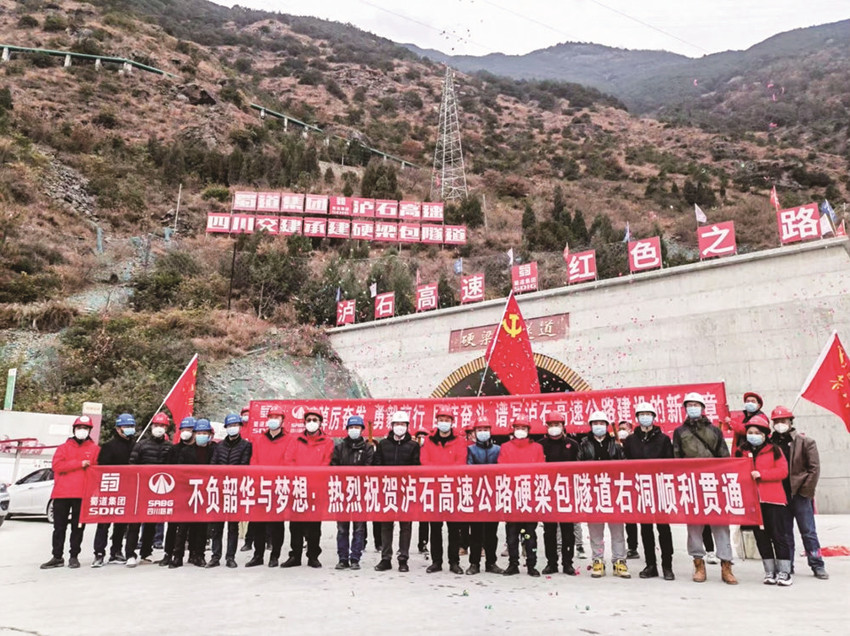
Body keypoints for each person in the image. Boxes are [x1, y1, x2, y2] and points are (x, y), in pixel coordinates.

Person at [673, 392, 737, 585]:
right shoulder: (680, 432)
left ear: (702, 408)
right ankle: (699, 564)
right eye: (689, 405)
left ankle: (726, 565)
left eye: (696, 404)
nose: (692, 408)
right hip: (692, 485)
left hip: (714, 484)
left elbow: (724, 457)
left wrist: (724, 481)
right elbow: (676, 459)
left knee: (721, 525)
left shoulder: (714, 431)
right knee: (694, 527)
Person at [769, 406, 828, 580]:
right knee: (785, 534)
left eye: (783, 420)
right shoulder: (770, 444)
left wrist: (805, 491)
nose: (780, 424)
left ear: (790, 421)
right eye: (777, 421)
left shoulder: (805, 442)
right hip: (780, 496)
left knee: (808, 532)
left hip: (800, 495)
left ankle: (817, 564)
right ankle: (787, 566)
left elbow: (814, 469)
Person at [735, 414, 792, 585]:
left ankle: (784, 572)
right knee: (761, 537)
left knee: (778, 536)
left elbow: (783, 471)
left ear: (765, 434)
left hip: (773, 500)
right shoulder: (741, 451)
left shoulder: (774, 450)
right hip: (753, 502)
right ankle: (769, 571)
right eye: (750, 432)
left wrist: (762, 474)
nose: (753, 436)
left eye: (757, 433)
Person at [623, 402, 675, 580]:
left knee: (664, 529)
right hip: (641, 489)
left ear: (654, 417)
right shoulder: (630, 440)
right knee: (646, 529)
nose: (645, 417)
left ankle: (667, 565)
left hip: (659, 488)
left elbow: (670, 464)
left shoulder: (664, 439)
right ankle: (650, 565)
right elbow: (626, 463)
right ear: (637, 418)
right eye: (642, 414)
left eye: (648, 414)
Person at [41, 415, 100, 570]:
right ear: (74, 429)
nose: (82, 430)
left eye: (85, 428)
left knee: (78, 527)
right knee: (59, 527)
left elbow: (97, 471)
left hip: (82, 494)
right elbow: (57, 466)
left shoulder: (95, 449)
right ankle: (57, 556)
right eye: (79, 428)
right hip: (62, 493)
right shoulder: (63, 448)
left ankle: (74, 556)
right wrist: (79, 464)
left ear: (89, 430)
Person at [578, 411, 630, 579]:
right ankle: (598, 560)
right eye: (595, 423)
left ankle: (619, 561)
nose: (598, 426)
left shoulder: (616, 444)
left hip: (613, 491)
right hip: (593, 491)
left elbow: (625, 465)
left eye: (601, 423)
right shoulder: (584, 444)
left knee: (617, 529)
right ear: (591, 426)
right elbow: (577, 466)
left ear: (607, 426)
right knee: (595, 529)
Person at [282, 409, 334, 568]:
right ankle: (295, 556)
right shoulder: (295, 440)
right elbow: (288, 459)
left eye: (315, 420)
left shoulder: (327, 442)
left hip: (317, 487)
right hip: (298, 486)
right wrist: (299, 476)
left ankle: (313, 556)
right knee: (295, 524)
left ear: (320, 423)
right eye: (309, 419)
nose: (311, 422)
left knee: (314, 525)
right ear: (304, 422)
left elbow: (327, 462)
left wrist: (314, 477)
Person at [125, 412, 175, 568]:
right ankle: (130, 554)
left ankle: (146, 552)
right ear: (152, 426)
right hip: (140, 489)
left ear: (166, 428)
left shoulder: (169, 447)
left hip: (158, 490)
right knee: (134, 523)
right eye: (157, 425)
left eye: (162, 426)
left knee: (152, 523)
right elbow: (132, 465)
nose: (159, 428)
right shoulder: (141, 445)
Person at [421, 409, 467, 574]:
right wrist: (439, 473)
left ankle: (454, 562)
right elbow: (424, 460)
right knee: (435, 528)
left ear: (452, 422)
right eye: (441, 419)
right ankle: (436, 561)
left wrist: (445, 474)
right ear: (437, 421)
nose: (444, 422)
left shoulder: (459, 441)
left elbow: (461, 462)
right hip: (434, 489)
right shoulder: (429, 440)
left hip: (452, 488)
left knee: (454, 528)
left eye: (447, 419)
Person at [373, 410, 420, 572]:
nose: (399, 427)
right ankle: (386, 558)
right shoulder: (383, 444)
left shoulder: (413, 446)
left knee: (405, 526)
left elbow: (416, 467)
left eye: (402, 424)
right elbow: (377, 465)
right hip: (387, 490)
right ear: (392, 426)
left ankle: (403, 559)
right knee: (386, 525)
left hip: (405, 491)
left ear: (407, 426)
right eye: (397, 424)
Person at [246, 406, 291, 568]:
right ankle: (258, 555)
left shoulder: (289, 439)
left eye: (277, 417)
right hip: (261, 485)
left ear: (282, 420)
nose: (273, 420)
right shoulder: (259, 439)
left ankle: (274, 555)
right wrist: (256, 481)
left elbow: (288, 462)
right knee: (258, 523)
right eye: (271, 417)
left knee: (276, 524)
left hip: (278, 486)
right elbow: (254, 461)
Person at [499, 417, 543, 577]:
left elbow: (540, 469)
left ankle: (531, 564)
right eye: (518, 428)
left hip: (530, 495)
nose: (520, 431)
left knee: (530, 534)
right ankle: (513, 563)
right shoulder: (505, 447)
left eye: (523, 428)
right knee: (512, 534)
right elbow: (502, 468)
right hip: (511, 495)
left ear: (528, 430)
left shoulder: (537, 447)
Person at [91, 413, 135, 567]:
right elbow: (101, 470)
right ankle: (99, 553)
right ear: (118, 429)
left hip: (127, 490)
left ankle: (116, 551)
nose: (129, 429)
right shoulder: (108, 447)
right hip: (110, 489)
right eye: (126, 426)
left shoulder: (135, 446)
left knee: (121, 524)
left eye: (131, 426)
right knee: (104, 524)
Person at [171, 418, 216, 568]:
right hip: (187, 492)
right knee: (183, 526)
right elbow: (180, 471)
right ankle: (177, 556)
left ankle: (198, 555)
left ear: (209, 435)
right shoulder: (186, 451)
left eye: (205, 433)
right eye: (199, 433)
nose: (202, 435)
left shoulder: (213, 450)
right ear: (194, 434)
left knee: (201, 526)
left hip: (205, 492)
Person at [209, 413, 252, 568]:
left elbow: (244, 465)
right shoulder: (219, 446)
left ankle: (230, 557)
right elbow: (213, 465)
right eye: (230, 426)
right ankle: (215, 556)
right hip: (219, 489)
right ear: (226, 428)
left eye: (235, 425)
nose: (233, 428)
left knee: (233, 526)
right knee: (217, 526)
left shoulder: (246, 446)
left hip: (235, 489)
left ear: (240, 427)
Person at [331, 415, 375, 570]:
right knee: (342, 528)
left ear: (362, 430)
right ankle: (342, 558)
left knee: (359, 527)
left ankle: (355, 557)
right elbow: (333, 466)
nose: (354, 430)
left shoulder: (368, 448)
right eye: (351, 428)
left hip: (360, 492)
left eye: (357, 427)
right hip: (342, 492)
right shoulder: (339, 447)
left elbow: (370, 467)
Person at [538, 412, 578, 576]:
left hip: (567, 491)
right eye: (551, 425)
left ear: (563, 426)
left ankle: (568, 563)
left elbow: (579, 467)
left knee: (568, 530)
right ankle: (551, 563)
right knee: (549, 531)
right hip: (547, 492)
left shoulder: (572, 445)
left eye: (557, 425)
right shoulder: (540, 445)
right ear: (546, 427)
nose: (554, 428)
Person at [465, 417, 504, 575]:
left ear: (490, 431)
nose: (483, 433)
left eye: (485, 430)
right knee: (475, 532)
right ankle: (474, 563)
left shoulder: (498, 450)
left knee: (491, 533)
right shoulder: (471, 450)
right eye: (479, 430)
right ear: (475, 432)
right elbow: (468, 468)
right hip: (476, 494)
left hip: (493, 495)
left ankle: (491, 562)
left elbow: (502, 468)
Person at [157, 416, 196, 568]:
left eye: (189, 429)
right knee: (172, 525)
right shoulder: (174, 450)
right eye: (184, 429)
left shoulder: (198, 450)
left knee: (190, 525)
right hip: (176, 491)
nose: (186, 432)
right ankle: (168, 553)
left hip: (193, 492)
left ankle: (190, 554)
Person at [617, 420, 640, 560]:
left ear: (631, 430)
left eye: (624, 429)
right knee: (629, 518)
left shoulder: (635, 442)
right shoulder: (615, 444)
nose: (621, 431)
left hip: (637, 482)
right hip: (622, 484)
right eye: (620, 429)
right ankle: (632, 547)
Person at [413, 428, 430, 554]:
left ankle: (423, 543)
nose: (422, 438)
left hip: (427, 486)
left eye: (424, 436)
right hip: (413, 486)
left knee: (425, 518)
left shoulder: (430, 449)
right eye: (419, 436)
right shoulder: (412, 448)